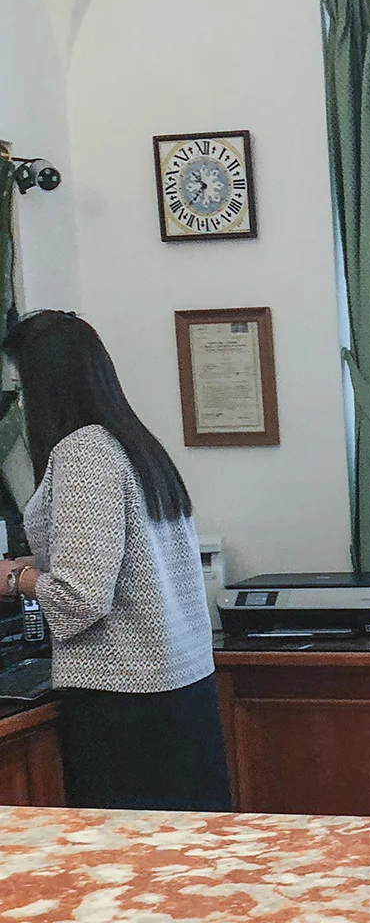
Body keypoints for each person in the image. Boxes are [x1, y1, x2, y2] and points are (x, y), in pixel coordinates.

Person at [0, 310, 231, 811]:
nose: (17, 407)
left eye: (19, 389)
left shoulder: (84, 451)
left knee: (127, 865)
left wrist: (17, 577)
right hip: (178, 691)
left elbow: (81, 598)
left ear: (48, 385)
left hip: (124, 698)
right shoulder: (133, 442)